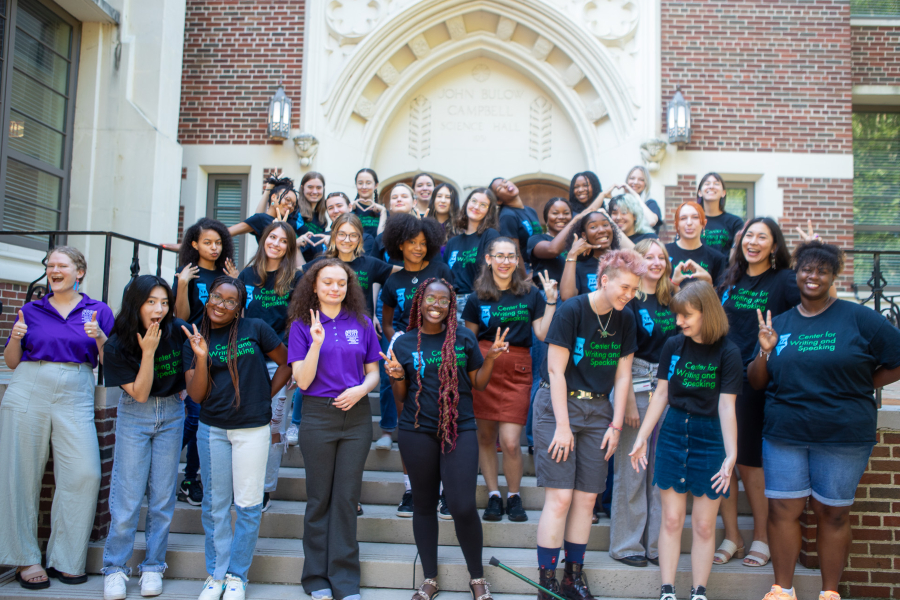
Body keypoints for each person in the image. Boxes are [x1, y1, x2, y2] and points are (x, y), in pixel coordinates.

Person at [747, 241, 900, 600]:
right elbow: (756, 381)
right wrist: (765, 352)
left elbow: (896, 358)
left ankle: (829, 593)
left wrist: (864, 382)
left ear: (834, 275)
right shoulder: (779, 323)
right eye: (806, 269)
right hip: (785, 432)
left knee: (831, 512)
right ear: (796, 273)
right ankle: (782, 589)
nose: (812, 276)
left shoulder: (859, 318)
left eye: (821, 270)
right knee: (783, 509)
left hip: (843, 434)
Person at [532, 250, 643, 599]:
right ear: (605, 280)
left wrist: (615, 424)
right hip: (558, 406)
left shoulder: (626, 319)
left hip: (598, 411)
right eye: (624, 287)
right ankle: (546, 582)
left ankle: (572, 577)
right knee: (561, 498)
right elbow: (554, 370)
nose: (629, 295)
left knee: (587, 499)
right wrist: (563, 426)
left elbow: (624, 375)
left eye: (634, 290)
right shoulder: (573, 310)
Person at [1, 246, 113, 589]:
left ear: (79, 271)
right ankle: (25, 558)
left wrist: (100, 339)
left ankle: (66, 559)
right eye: (50, 265)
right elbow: (11, 361)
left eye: (61, 265)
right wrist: (16, 340)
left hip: (77, 389)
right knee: (19, 473)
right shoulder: (31, 309)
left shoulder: (98, 311)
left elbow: (111, 362)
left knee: (84, 472)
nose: (54, 270)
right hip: (28, 385)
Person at [384, 278, 501, 600]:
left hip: (459, 428)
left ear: (451, 306)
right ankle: (430, 578)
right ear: (419, 302)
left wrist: (490, 358)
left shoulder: (463, 338)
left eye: (444, 301)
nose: (436, 306)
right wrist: (396, 378)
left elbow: (478, 384)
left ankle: (477, 577)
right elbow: (402, 396)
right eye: (430, 299)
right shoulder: (404, 343)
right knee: (423, 505)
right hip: (416, 430)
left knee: (462, 505)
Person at [629, 281, 740, 600]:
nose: (679, 322)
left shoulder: (728, 352)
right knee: (672, 519)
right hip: (674, 432)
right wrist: (641, 437)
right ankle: (667, 591)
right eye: (678, 316)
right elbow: (661, 394)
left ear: (707, 313)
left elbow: (726, 405)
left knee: (705, 526)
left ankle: (698, 592)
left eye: (686, 315)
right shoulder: (673, 346)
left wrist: (731, 455)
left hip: (710, 437)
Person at [182, 276, 291, 600]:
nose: (221, 304)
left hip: (252, 430)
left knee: (247, 505)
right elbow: (196, 395)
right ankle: (215, 575)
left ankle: (237, 577)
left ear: (239, 307)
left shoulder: (255, 328)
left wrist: (264, 398)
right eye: (217, 296)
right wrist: (201, 357)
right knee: (215, 507)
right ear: (208, 297)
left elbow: (286, 363)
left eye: (230, 301)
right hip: (213, 429)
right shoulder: (194, 334)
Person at [288, 259, 381, 600]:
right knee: (319, 500)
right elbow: (302, 380)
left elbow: (374, 371)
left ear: (348, 287)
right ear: (314, 285)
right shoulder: (301, 325)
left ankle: (344, 581)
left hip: (356, 419)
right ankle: (315, 578)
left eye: (341, 283)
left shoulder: (361, 322)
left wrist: (361, 389)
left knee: (345, 500)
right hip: (317, 416)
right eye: (327, 282)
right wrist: (315, 343)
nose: (334, 288)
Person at [713, 218, 802, 568]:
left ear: (774, 246)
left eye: (761, 237)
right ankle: (732, 535)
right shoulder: (729, 279)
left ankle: (762, 537)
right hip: (722, 379)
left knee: (750, 463)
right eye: (748, 235)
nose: (753, 241)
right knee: (723, 462)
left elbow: (817, 304)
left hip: (757, 380)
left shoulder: (785, 280)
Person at [101, 276, 187, 600]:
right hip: (136, 415)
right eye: (152, 301)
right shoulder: (117, 345)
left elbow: (189, 369)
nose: (160, 309)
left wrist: (182, 390)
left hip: (171, 415)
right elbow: (138, 393)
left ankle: (153, 566)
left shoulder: (176, 331)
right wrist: (148, 352)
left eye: (164, 302)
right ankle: (115, 568)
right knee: (127, 497)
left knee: (163, 497)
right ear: (135, 303)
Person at [463, 237, 557, 523]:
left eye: (511, 256)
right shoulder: (475, 297)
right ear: (489, 259)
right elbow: (468, 339)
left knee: (512, 442)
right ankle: (493, 495)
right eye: (499, 256)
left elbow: (542, 333)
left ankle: (514, 496)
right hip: (485, 365)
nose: (505, 261)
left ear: (517, 261)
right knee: (485, 436)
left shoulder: (530, 294)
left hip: (517, 369)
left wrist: (551, 300)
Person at [298, 213, 400, 452]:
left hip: (359, 332)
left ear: (360, 239)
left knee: (374, 375)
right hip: (322, 329)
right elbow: (293, 276)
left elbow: (400, 271)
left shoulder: (369, 263)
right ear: (333, 235)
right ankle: (296, 423)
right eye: (342, 233)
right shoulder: (318, 263)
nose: (347, 239)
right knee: (308, 372)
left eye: (353, 235)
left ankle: (381, 428)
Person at [381, 214, 454, 517]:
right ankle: (411, 489)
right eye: (412, 243)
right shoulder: (393, 280)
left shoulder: (441, 270)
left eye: (424, 243)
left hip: (439, 355)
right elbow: (386, 323)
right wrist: (399, 342)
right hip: (406, 356)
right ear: (400, 243)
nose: (418, 248)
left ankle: (445, 490)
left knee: (444, 420)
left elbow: (451, 311)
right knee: (408, 424)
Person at [610, 239, 676, 567]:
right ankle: (626, 545)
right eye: (648, 256)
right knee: (632, 468)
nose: (655, 261)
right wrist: (630, 404)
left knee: (659, 468)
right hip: (634, 382)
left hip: (666, 385)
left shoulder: (672, 298)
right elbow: (624, 353)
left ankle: (655, 544)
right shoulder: (629, 299)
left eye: (660, 256)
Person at [172, 218, 239, 507]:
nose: (214, 247)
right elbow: (180, 316)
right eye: (207, 242)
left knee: (205, 416)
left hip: (222, 351)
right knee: (196, 415)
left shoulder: (227, 274)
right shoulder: (189, 273)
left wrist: (237, 282)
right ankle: (178, 469)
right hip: (192, 348)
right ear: (195, 244)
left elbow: (238, 312)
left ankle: (190, 477)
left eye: (218, 242)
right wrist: (182, 284)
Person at [237, 221, 302, 511]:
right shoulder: (246, 275)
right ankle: (243, 484)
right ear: (263, 239)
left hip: (280, 362)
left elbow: (297, 322)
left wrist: (294, 363)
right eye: (271, 237)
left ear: (289, 247)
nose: (275, 243)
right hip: (247, 360)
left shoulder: (296, 279)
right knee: (245, 425)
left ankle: (264, 489)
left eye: (282, 240)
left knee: (274, 427)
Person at [444, 187, 500, 322]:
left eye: (483, 205)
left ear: (489, 211)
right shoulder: (453, 242)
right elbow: (444, 274)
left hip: (477, 302)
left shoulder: (490, 235)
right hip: (450, 304)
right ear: (467, 203)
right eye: (473, 201)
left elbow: (491, 271)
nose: (476, 207)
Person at [559, 210, 622, 300]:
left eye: (605, 225)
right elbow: (566, 297)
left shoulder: (624, 262)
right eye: (593, 227)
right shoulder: (580, 268)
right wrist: (572, 254)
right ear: (584, 235)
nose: (601, 230)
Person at [665, 202, 726, 289]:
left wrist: (709, 282)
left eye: (695, 217)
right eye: (683, 218)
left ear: (704, 223)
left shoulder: (717, 258)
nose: (689, 223)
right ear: (676, 225)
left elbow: (718, 298)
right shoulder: (664, 252)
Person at [489, 177, 543, 256]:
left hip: (539, 264)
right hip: (527, 266)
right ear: (498, 201)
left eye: (505, 181)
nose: (505, 185)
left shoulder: (531, 210)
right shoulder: (507, 216)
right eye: (500, 188)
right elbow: (513, 252)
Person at [696, 173, 744, 256]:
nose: (711, 186)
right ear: (699, 192)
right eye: (707, 183)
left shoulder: (735, 222)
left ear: (723, 193)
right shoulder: (692, 220)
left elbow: (739, 257)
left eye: (716, 184)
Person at [296, 172, 329, 262]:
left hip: (312, 265)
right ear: (302, 188)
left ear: (323, 189)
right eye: (310, 187)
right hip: (293, 264)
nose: (314, 192)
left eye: (318, 188)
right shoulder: (294, 210)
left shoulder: (321, 217)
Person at [624, 166, 663, 235]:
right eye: (632, 178)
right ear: (627, 181)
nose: (635, 182)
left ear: (646, 184)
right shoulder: (621, 204)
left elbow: (652, 221)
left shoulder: (651, 204)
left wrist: (636, 196)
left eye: (641, 179)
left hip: (644, 244)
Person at [352, 168, 388, 238]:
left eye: (368, 183)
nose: (364, 187)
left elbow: (382, 239)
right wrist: (348, 210)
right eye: (360, 183)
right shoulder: (350, 208)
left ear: (376, 185)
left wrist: (383, 212)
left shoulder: (382, 211)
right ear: (356, 185)